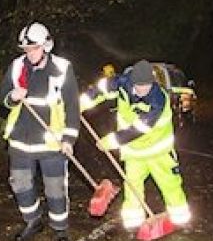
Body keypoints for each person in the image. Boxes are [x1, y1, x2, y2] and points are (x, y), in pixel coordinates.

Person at [81, 59, 191, 231]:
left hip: (158, 151)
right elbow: (100, 89)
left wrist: (112, 141)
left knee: (169, 183)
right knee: (132, 186)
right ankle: (133, 222)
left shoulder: (158, 99)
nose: (142, 90)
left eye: (146, 86)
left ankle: (180, 217)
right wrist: (81, 104)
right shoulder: (122, 83)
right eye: (139, 86)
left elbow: (140, 128)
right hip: (133, 153)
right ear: (132, 81)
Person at [0, 22, 80, 241]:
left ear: (45, 46)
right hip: (20, 140)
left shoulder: (62, 68)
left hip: (51, 141)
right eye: (26, 49)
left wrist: (69, 139)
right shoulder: (16, 67)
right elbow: (2, 100)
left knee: (55, 187)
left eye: (34, 48)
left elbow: (72, 106)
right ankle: (32, 221)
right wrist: (12, 97)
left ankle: (60, 228)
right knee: (20, 184)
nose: (30, 53)